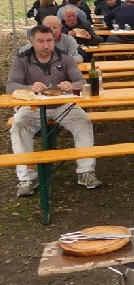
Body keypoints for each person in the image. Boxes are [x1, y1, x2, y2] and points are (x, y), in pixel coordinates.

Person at [6, 25, 102, 197]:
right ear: (31, 42)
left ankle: (85, 171)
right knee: (18, 126)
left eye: (49, 40)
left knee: (83, 121)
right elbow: (11, 85)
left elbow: (81, 82)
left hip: (63, 105)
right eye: (40, 41)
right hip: (33, 106)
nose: (45, 45)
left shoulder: (64, 57)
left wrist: (70, 86)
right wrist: (29, 87)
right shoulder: (21, 59)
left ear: (54, 40)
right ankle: (26, 178)